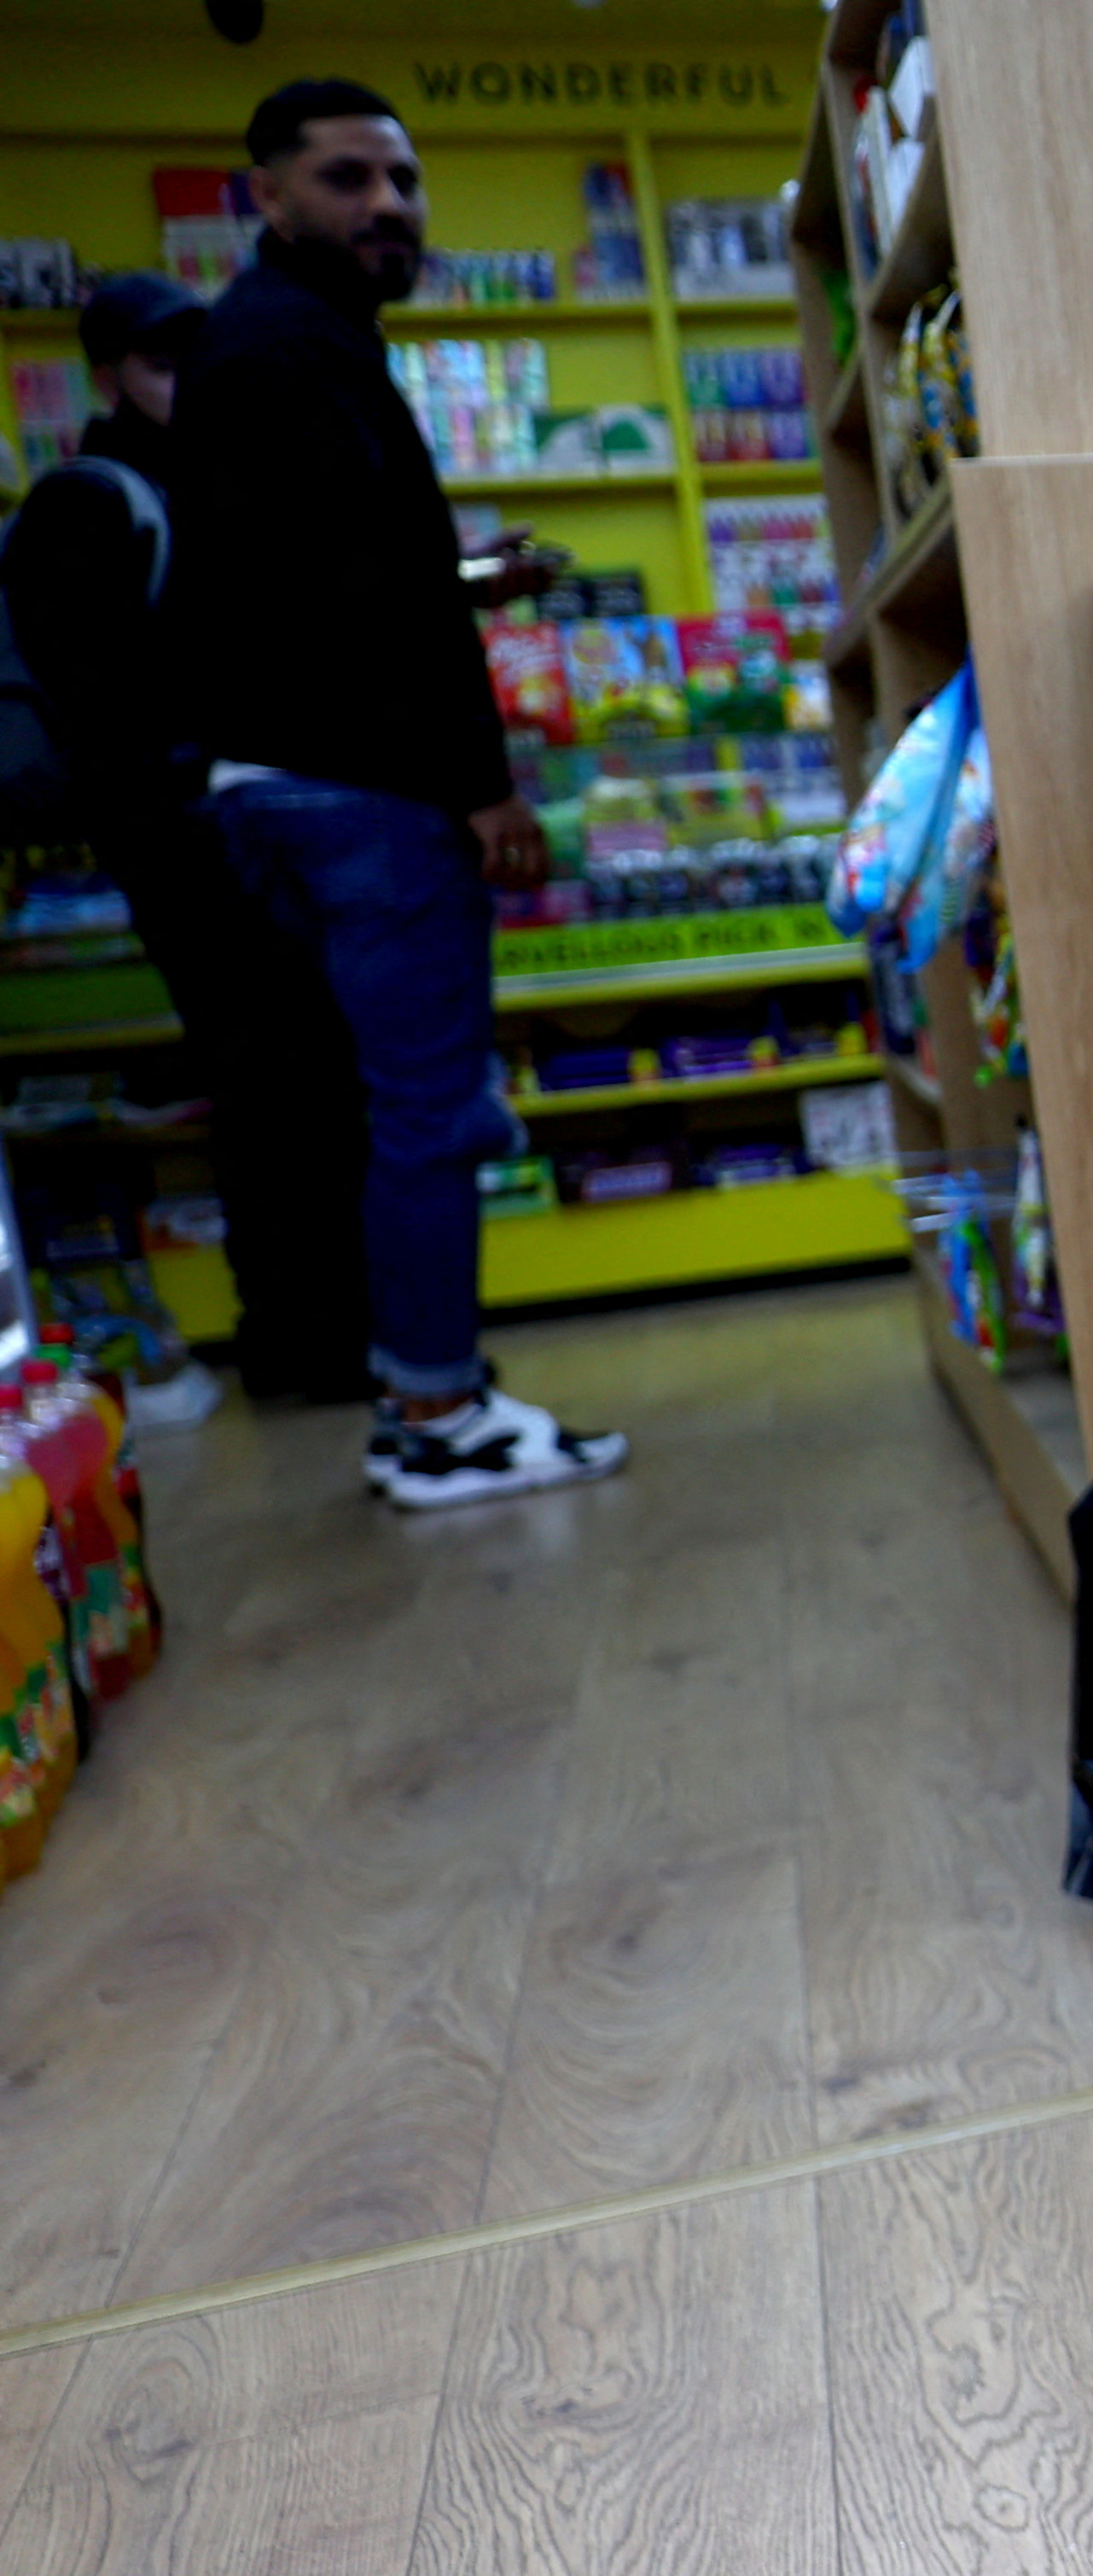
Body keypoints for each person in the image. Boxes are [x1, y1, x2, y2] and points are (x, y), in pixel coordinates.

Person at [172, 79, 625, 1506]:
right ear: (269, 196)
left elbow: (311, 580)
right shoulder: (290, 350)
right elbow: (370, 606)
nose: (387, 207)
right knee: (431, 1109)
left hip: (290, 787)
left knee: (398, 1107)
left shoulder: (278, 347)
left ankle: (426, 1396)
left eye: (404, 182)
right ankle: (438, 1413)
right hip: (362, 795)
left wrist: (465, 575)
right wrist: (482, 784)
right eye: (347, 178)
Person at [0, 271, 375, 1407]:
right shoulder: (94, 499)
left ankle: (329, 1330)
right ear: (112, 372)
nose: (191, 388)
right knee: (271, 1083)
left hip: (245, 829)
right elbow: (104, 705)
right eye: (166, 367)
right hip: (190, 845)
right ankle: (302, 1342)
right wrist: (197, 786)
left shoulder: (202, 482)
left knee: (303, 1080)